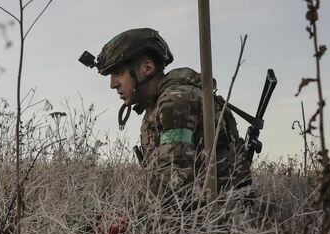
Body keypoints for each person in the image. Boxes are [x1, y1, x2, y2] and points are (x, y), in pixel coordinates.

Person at [95, 28, 253, 204]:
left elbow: (172, 178)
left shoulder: (176, 101)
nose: (112, 84)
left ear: (147, 68)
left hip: (219, 219)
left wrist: (129, 217)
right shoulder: (156, 105)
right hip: (196, 213)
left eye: (118, 73)